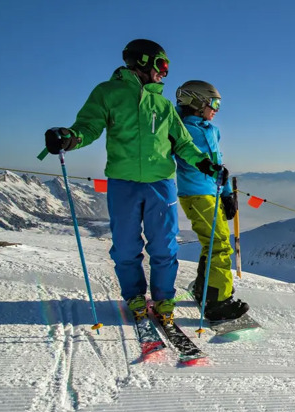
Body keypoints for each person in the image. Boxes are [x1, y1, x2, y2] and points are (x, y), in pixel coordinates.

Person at [43, 39, 225, 325]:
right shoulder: (108, 93)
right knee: (126, 246)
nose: (164, 73)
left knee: (164, 246)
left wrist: (207, 165)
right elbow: (88, 127)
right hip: (123, 183)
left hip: (160, 184)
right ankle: (135, 295)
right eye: (161, 65)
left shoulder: (163, 105)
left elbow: (184, 144)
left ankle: (164, 297)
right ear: (143, 62)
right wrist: (70, 137)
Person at [174, 80, 249, 322]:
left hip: (212, 192)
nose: (217, 109)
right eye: (214, 103)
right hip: (196, 192)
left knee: (213, 244)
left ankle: (205, 289)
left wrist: (227, 193)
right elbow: (195, 160)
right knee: (219, 246)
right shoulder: (183, 129)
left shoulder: (210, 130)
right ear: (196, 101)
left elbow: (219, 165)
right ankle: (217, 303)